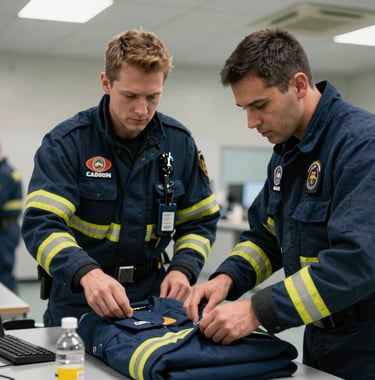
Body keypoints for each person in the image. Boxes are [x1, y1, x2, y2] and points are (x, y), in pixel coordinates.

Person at [184, 28, 375, 380]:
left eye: (260, 106)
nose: (251, 122)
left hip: (367, 346)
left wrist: (256, 311)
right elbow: (266, 238)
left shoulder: (362, 145)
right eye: (244, 108)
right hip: (320, 337)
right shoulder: (287, 154)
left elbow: (357, 261)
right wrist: (226, 279)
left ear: (299, 85)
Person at [21, 29, 220, 327]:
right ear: (106, 83)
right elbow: (41, 224)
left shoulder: (179, 143)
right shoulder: (67, 143)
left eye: (153, 96)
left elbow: (199, 220)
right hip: (81, 297)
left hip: (152, 298)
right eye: (130, 96)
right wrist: (86, 273)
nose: (142, 110)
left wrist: (183, 268)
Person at [0, 145, 23, 293]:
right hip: (8, 228)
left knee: (3, 272)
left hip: (5, 230)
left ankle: (11, 311)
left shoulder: (3, 174)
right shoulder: (8, 171)